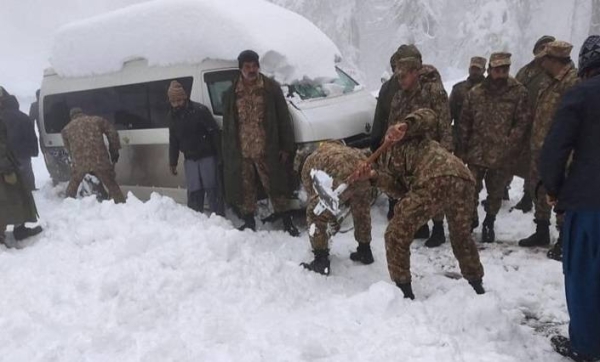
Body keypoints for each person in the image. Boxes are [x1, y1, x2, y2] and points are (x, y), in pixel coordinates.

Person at [357, 108, 484, 299]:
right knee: (460, 237)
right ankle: (477, 288)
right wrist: (373, 176)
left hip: (438, 177)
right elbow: (401, 190)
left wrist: (405, 125)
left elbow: (429, 116)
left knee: (395, 233)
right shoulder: (385, 162)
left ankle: (404, 293)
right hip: (462, 180)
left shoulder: (406, 137)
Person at [542, 35, 600, 362]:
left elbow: (555, 149)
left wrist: (554, 188)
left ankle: (587, 346)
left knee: (584, 276)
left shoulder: (580, 95)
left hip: (589, 203)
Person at [221, 50, 299, 236]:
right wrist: (229, 151)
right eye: (247, 66)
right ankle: (249, 222)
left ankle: (287, 220)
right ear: (240, 68)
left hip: (268, 149)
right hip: (243, 152)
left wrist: (286, 147)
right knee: (245, 189)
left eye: (254, 65)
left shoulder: (271, 88)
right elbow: (228, 125)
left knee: (276, 186)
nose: (252, 70)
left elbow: (283, 120)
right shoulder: (232, 92)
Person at [458, 52, 530, 243]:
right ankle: (471, 217)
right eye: (497, 69)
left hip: (501, 154)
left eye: (504, 69)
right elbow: (465, 121)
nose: (500, 73)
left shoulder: (518, 92)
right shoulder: (476, 93)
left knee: (495, 192)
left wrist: (510, 142)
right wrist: (462, 150)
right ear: (489, 70)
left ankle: (489, 221)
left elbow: (522, 122)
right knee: (470, 188)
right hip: (476, 151)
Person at [518, 41, 579, 254]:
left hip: (562, 151)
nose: (541, 62)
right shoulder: (548, 82)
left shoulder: (573, 82)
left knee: (561, 191)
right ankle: (542, 229)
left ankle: (564, 237)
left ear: (555, 60)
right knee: (539, 188)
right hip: (541, 148)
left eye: (545, 59)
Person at [386, 54, 453, 246]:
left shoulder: (432, 93)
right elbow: (392, 123)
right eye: (398, 77)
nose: (400, 81)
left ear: (415, 73)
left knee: (435, 189)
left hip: (432, 151)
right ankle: (421, 225)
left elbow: (444, 123)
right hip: (408, 154)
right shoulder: (399, 96)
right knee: (414, 190)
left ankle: (438, 228)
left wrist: (446, 150)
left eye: (404, 76)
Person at [300, 141, 373, 275]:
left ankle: (320, 261)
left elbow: (315, 197)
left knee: (314, 213)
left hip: (342, 176)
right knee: (361, 209)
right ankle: (365, 250)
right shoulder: (345, 149)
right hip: (363, 169)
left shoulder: (310, 162)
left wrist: (327, 217)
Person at [511, 35, 556, 213]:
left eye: (548, 46)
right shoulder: (525, 71)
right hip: (524, 123)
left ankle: (534, 197)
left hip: (546, 125)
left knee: (539, 163)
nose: (544, 50)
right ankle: (521, 193)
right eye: (541, 46)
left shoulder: (555, 72)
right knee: (523, 160)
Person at [167, 80, 223, 215]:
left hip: (207, 156)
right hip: (190, 159)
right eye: (173, 102)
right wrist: (172, 162)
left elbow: (214, 132)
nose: (177, 104)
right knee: (194, 191)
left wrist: (220, 156)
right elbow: (173, 140)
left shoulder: (200, 110)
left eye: (179, 100)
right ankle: (194, 218)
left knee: (212, 188)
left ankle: (219, 216)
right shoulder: (172, 116)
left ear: (185, 97)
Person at [61, 108, 125, 203]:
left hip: (80, 163)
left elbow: (68, 149)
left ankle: (67, 205)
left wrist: (76, 160)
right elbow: (112, 133)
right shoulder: (96, 120)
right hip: (99, 159)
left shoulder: (66, 129)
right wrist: (114, 151)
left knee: (73, 186)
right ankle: (122, 205)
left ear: (71, 116)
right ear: (82, 113)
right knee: (111, 185)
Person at [0, 115, 42, 246]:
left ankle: (19, 229)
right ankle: (16, 231)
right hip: (4, 169)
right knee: (12, 198)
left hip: (6, 164)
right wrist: (6, 167)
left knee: (16, 198)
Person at [0, 93, 38, 191]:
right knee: (27, 173)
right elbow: (32, 136)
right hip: (24, 153)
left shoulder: (1, 118)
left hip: (7, 155)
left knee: (9, 176)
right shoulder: (24, 117)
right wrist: (34, 151)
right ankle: (30, 190)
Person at [449, 56, 487, 152]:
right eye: (472, 68)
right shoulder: (458, 89)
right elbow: (448, 114)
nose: (474, 72)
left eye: (478, 69)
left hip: (483, 144)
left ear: (484, 70)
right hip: (461, 140)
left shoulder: (490, 90)